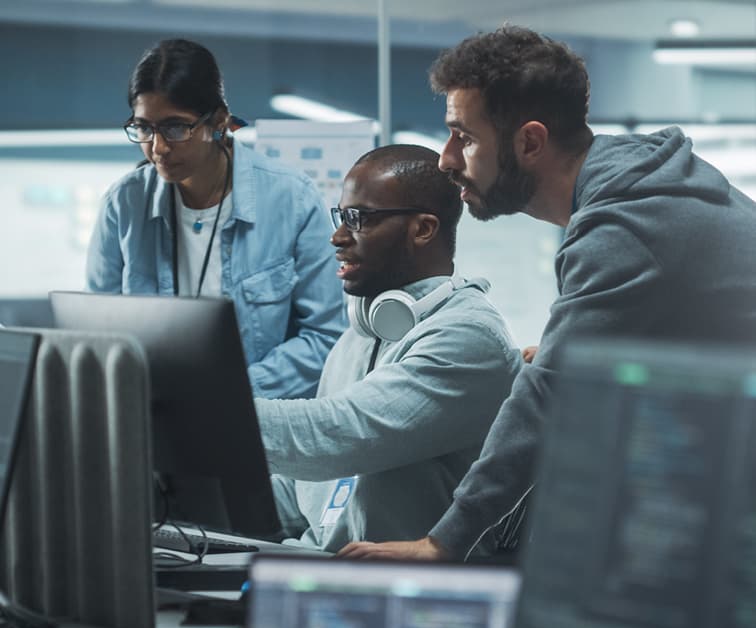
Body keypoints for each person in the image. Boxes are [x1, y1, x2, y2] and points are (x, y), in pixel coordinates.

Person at [338, 25, 756, 561]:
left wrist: (441, 543)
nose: (445, 159)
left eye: (463, 136)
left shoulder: (624, 226)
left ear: (530, 142)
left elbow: (545, 399)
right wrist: (579, 350)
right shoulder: (631, 186)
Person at [253, 144, 523, 553]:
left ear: (423, 229)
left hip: (407, 593)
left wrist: (213, 420)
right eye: (341, 217)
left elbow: (339, 435)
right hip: (318, 565)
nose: (338, 237)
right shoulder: (360, 335)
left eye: (359, 219)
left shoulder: (469, 338)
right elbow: (303, 492)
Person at [85, 38, 345, 399]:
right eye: (144, 128)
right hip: (152, 420)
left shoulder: (292, 199)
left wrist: (229, 393)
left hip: (256, 424)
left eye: (175, 128)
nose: (158, 148)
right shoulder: (123, 204)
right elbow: (97, 335)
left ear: (219, 121)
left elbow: (325, 337)